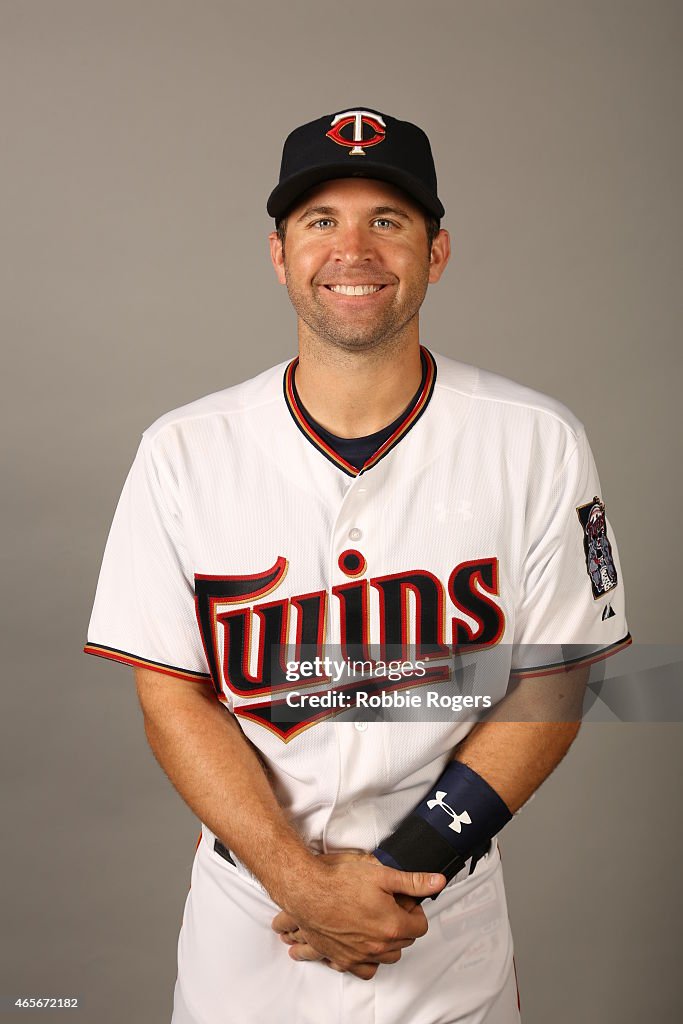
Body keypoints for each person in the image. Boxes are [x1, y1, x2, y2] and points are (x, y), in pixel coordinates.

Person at [85, 106, 630, 1024]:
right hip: (248, 917)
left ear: (436, 250)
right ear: (278, 253)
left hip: (439, 912)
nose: (354, 250)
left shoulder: (535, 440)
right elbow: (172, 695)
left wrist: (398, 878)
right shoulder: (182, 450)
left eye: (387, 220)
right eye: (319, 221)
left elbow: (550, 689)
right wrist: (300, 882)